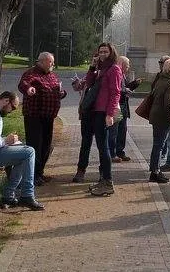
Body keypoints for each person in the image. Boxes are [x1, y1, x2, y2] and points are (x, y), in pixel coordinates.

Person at [72, 43, 123, 197]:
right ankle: (82, 170)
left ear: (111, 53)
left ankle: (107, 180)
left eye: (105, 52)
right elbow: (88, 83)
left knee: (103, 147)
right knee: (85, 142)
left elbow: (116, 93)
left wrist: (110, 114)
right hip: (90, 110)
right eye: (100, 52)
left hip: (102, 112)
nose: (102, 54)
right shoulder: (99, 68)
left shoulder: (114, 69)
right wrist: (92, 67)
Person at [18, 52, 67, 186]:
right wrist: (29, 89)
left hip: (49, 116)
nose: (53, 64)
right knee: (35, 146)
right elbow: (23, 84)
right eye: (51, 62)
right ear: (42, 61)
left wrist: (61, 93)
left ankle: (40, 172)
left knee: (46, 145)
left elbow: (56, 90)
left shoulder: (51, 75)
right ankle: (32, 175)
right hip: (35, 116)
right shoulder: (32, 73)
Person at [148, 58, 170, 183]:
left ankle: (155, 170)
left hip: (156, 116)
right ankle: (155, 172)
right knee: (159, 146)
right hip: (163, 118)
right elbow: (169, 102)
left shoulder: (160, 79)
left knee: (157, 145)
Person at [108, 56, 141, 163]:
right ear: (122, 64)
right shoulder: (115, 73)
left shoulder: (122, 74)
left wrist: (134, 84)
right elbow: (116, 89)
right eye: (127, 65)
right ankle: (112, 153)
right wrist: (125, 90)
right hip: (117, 106)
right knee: (114, 131)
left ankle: (120, 152)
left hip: (123, 106)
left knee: (122, 130)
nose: (128, 67)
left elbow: (124, 87)